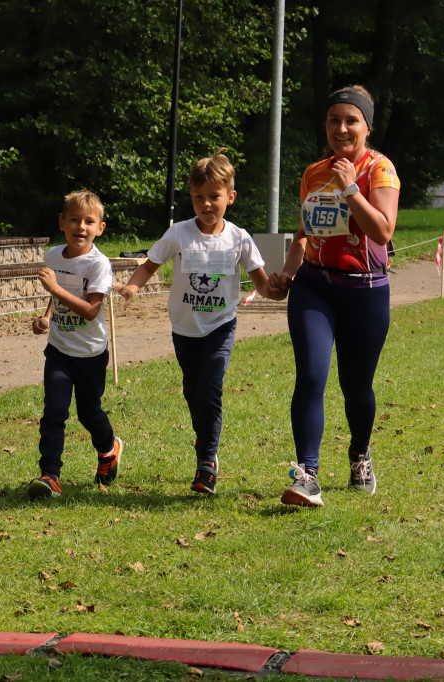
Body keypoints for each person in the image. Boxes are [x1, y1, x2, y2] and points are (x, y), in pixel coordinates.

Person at [118, 151, 287, 494]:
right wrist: (132, 286)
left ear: (230, 197)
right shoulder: (178, 233)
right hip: (184, 328)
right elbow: (150, 264)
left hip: (220, 327)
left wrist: (279, 290)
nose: (206, 204)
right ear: (191, 196)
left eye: (214, 197)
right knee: (193, 392)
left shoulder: (239, 238)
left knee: (210, 389)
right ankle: (204, 440)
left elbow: (262, 286)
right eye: (199, 197)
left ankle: (207, 462)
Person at [271, 85, 401, 507]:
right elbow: (305, 232)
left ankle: (360, 455)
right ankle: (307, 474)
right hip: (315, 286)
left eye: (351, 120)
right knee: (311, 375)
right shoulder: (313, 172)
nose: (341, 128)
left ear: (367, 126)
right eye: (334, 120)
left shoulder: (380, 170)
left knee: (356, 386)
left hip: (365, 291)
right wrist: (288, 273)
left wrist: (350, 188)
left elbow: (383, 231)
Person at [27, 189, 124, 499]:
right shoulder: (53, 255)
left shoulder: (99, 264)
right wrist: (46, 316)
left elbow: (91, 309)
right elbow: (56, 294)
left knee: (88, 413)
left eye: (88, 221)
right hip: (59, 351)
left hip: (91, 354)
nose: (80, 227)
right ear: (62, 223)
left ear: (100, 228)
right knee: (54, 411)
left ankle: (109, 450)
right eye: (74, 220)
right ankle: (50, 475)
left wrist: (55, 287)